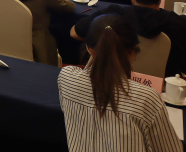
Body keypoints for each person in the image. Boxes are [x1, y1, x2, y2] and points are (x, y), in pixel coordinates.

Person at [59, 14, 182, 152]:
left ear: (88, 49)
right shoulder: (146, 99)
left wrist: (98, 54)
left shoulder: (66, 77)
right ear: (133, 50)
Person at [71, 0, 186, 78]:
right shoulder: (178, 23)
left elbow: (74, 33)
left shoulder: (111, 14)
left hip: (114, 80)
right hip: (164, 87)